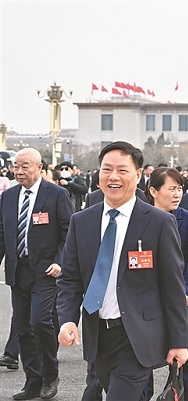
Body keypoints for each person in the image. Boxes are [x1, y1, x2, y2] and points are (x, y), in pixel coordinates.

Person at [56, 141, 188, 401]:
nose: (113, 177)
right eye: (107, 169)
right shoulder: (81, 221)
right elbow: (70, 279)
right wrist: (68, 320)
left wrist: (179, 342)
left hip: (138, 335)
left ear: (138, 175)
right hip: (98, 336)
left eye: (122, 170)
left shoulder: (159, 222)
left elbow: (173, 286)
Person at [0, 148, 73, 400]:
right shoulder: (8, 196)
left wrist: (60, 261)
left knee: (40, 321)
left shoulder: (56, 194)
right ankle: (33, 381)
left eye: (25, 166)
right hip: (18, 271)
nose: (19, 171)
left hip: (46, 271)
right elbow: (2, 234)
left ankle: (50, 376)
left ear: (39, 168)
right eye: (16, 166)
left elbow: (68, 231)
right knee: (22, 328)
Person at [147, 167, 188, 401]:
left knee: (184, 363)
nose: (177, 194)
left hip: (183, 303)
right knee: (142, 362)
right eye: (171, 189)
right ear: (153, 191)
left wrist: (186, 292)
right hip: (147, 304)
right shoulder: (141, 219)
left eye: (180, 188)